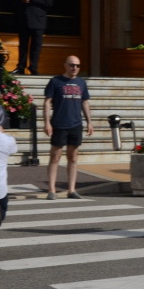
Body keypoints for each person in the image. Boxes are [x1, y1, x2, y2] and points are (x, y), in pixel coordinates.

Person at [43, 55, 92, 200]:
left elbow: (85, 103)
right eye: (72, 65)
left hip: (76, 124)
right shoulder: (55, 81)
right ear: (65, 65)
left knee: (73, 156)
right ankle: (51, 190)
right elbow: (47, 102)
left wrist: (89, 122)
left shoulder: (81, 83)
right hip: (59, 123)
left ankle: (72, 189)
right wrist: (47, 122)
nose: (75, 68)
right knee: (55, 156)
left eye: (77, 65)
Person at [13, 0, 52, 75]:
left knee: (36, 47)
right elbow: (14, 1)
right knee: (23, 46)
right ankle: (21, 67)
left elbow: (49, 3)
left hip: (38, 22)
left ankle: (33, 67)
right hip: (24, 21)